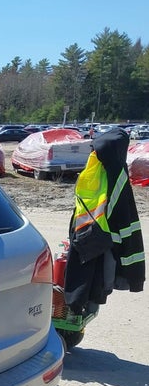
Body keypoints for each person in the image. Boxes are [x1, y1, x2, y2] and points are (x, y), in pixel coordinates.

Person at [63, 127, 144, 314]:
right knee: (100, 278)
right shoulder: (116, 169)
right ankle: (84, 310)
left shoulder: (93, 163)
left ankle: (75, 308)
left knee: (83, 275)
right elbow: (125, 212)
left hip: (82, 229)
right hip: (104, 235)